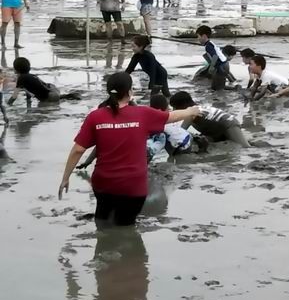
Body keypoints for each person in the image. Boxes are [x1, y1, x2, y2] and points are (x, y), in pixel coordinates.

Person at [58, 72, 200, 227]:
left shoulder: (95, 117)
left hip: (104, 183)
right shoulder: (143, 113)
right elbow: (172, 116)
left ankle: (103, 246)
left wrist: (66, 178)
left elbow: (78, 149)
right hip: (134, 186)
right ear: (130, 92)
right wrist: (191, 111)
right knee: (126, 226)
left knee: (102, 222)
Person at [169, 91, 250, 146]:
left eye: (174, 107)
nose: (174, 110)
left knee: (245, 147)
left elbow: (181, 131)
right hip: (217, 130)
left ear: (182, 105)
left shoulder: (191, 114)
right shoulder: (197, 108)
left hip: (229, 124)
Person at [7, 57, 79, 105]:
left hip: (50, 97)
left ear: (16, 69)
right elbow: (28, 91)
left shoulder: (21, 78)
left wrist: (7, 105)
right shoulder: (30, 76)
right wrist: (28, 101)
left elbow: (14, 96)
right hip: (53, 91)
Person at [195, 25, 230, 91]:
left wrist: (211, 68)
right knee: (216, 86)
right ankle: (232, 89)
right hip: (224, 64)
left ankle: (227, 94)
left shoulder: (208, 46)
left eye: (198, 36)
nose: (198, 38)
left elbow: (215, 56)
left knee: (218, 88)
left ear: (204, 36)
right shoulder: (210, 43)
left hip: (221, 66)